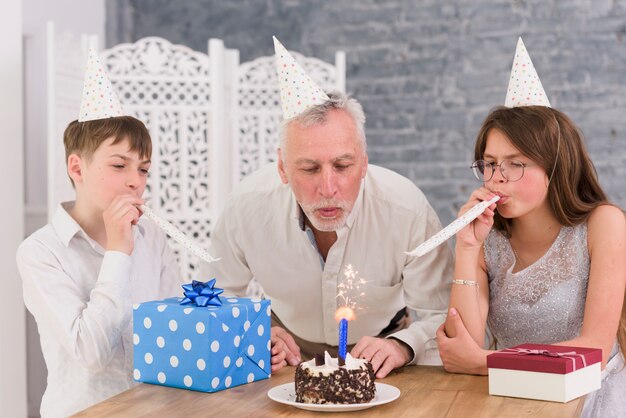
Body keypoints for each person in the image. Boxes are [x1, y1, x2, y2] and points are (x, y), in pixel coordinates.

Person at [203, 91, 454, 378]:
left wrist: (404, 346)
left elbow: (443, 312)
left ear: (364, 162)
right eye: (310, 168)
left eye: (342, 166)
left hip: (385, 355)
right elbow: (213, 298)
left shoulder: (407, 209)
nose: (328, 188)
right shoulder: (246, 207)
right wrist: (251, 333)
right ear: (283, 167)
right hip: (284, 358)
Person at [17, 49, 183, 418]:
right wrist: (118, 253)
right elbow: (91, 355)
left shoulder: (152, 238)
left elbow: (175, 333)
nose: (135, 181)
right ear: (77, 167)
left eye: (143, 169)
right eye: (119, 165)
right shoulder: (40, 252)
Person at [436, 104, 626, 417]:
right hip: (515, 400)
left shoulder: (603, 224)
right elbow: (460, 349)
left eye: (516, 164)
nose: (497, 178)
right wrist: (467, 248)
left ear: (555, 168)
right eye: (491, 163)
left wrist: (486, 361)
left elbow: (595, 351)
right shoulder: (487, 240)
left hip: (591, 399)